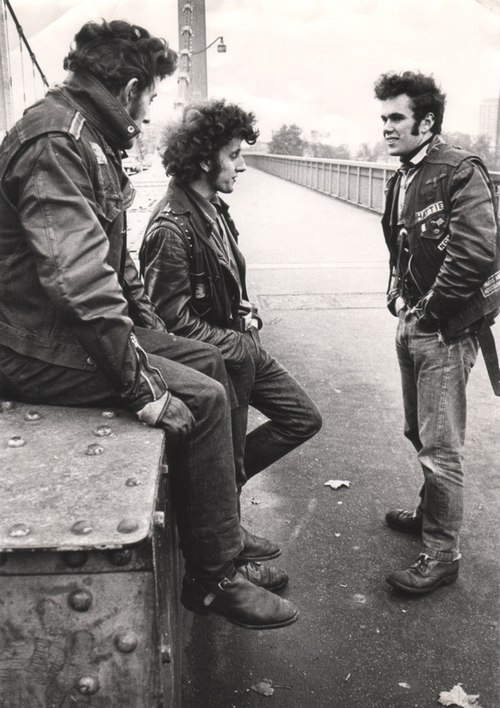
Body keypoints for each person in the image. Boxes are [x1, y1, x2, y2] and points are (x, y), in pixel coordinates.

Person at [0, 19, 298, 630]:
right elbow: (79, 281)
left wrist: (162, 336)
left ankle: (216, 537)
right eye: (151, 95)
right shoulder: (56, 142)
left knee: (210, 359)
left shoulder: (84, 137)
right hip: (30, 345)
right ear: (132, 86)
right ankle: (213, 577)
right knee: (205, 396)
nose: (149, 108)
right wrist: (146, 385)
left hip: (58, 330)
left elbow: (115, 261)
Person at [139, 99, 322, 558]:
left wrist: (249, 315)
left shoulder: (213, 209)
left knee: (302, 418)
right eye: (234, 154)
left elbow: (228, 282)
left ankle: (226, 500)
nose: (242, 165)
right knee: (227, 453)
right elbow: (169, 322)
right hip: (220, 360)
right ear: (205, 159)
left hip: (238, 348)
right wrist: (236, 342)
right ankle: (229, 546)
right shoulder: (171, 226)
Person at [374, 71, 499, 594]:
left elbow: (477, 251)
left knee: (441, 447)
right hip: (414, 321)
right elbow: (402, 243)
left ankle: (442, 553)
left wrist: (428, 312)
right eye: (383, 118)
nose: (386, 127)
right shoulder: (403, 173)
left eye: (396, 117)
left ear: (426, 122)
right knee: (419, 432)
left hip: (444, 330)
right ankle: (431, 514)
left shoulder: (458, 169)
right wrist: (397, 294)